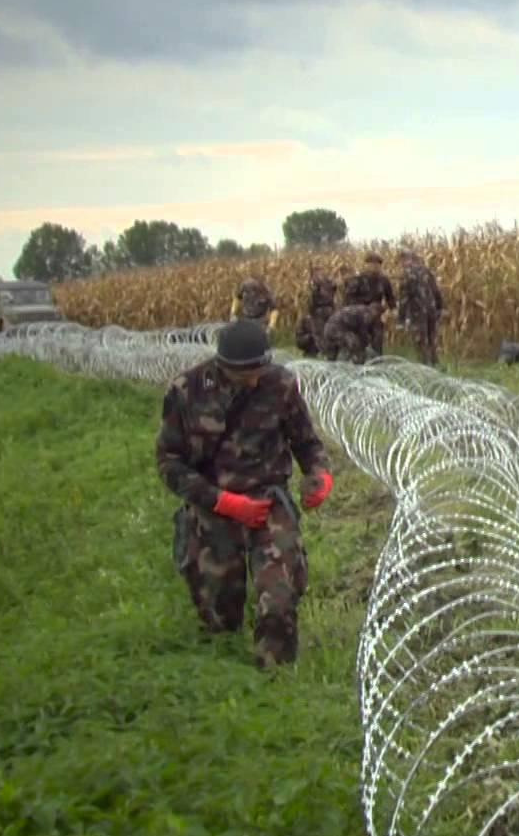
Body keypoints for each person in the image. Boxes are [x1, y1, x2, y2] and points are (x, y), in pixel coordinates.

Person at [156, 320, 333, 668]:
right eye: (245, 375)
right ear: (224, 367)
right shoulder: (186, 391)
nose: (254, 380)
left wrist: (320, 474)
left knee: (280, 597)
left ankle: (274, 678)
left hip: (269, 504)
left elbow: (307, 442)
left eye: (259, 371)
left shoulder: (280, 384)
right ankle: (222, 676)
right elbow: (169, 463)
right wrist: (224, 502)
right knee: (219, 615)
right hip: (214, 507)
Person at [396, 248, 446, 367]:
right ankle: (435, 365)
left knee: (420, 340)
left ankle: (424, 368)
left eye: (402, 260)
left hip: (417, 312)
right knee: (432, 339)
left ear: (406, 260)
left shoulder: (407, 274)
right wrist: (440, 307)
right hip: (432, 310)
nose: (402, 264)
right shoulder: (426, 271)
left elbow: (404, 298)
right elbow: (436, 290)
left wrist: (401, 319)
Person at [345, 252, 397, 357]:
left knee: (377, 340)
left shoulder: (384, 280)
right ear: (366, 265)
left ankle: (377, 362)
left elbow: (390, 297)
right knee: (361, 341)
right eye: (372, 264)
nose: (375, 267)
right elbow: (349, 299)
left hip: (377, 316)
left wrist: (392, 310)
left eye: (377, 264)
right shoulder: (357, 279)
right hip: (360, 316)